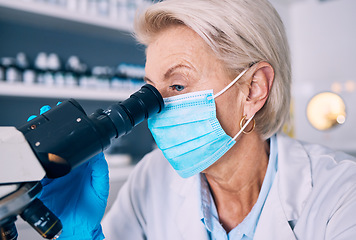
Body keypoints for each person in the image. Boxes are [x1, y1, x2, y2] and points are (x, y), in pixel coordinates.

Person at [35, 0, 356, 239]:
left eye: (177, 86)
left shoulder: (341, 195)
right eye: (150, 91)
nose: (156, 109)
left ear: (254, 89)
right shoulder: (152, 176)